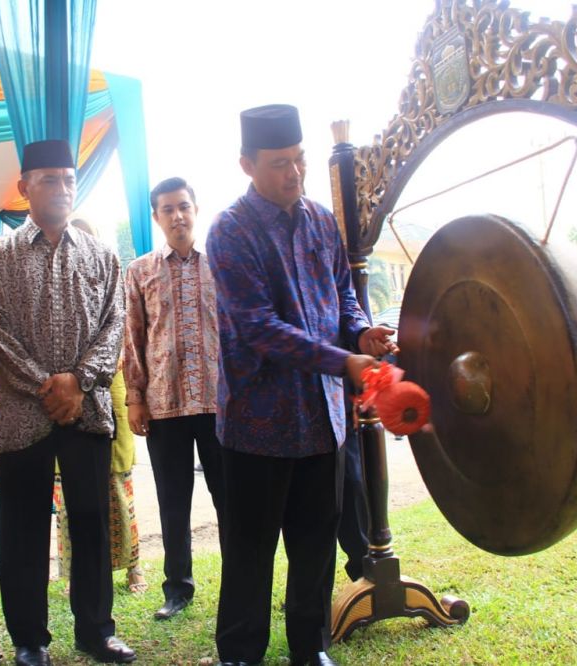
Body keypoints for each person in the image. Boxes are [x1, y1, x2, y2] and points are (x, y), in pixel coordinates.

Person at [206, 104, 396, 666]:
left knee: (315, 544)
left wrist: (362, 335)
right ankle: (240, 653)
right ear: (247, 164)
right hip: (257, 425)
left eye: (299, 160)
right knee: (250, 550)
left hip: (324, 421)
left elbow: (343, 297)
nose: (294, 172)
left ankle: (310, 648)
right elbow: (261, 329)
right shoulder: (230, 232)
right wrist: (345, 363)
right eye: (279, 163)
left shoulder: (320, 220)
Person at [0, 139, 135, 666]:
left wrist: (80, 381)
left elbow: (114, 325)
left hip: (87, 412)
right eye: (48, 179)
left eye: (68, 178)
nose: (62, 188)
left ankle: (96, 630)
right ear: (24, 188)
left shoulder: (102, 255)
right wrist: (49, 385)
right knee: (22, 527)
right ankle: (29, 639)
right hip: (25, 415)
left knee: (91, 521)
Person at [122, 177, 225, 620]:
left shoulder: (221, 264)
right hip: (164, 406)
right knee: (173, 501)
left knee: (232, 499)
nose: (177, 215)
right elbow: (133, 336)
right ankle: (177, 588)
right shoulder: (140, 270)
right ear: (156, 217)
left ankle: (239, 580)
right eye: (168, 209)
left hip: (220, 405)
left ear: (196, 209)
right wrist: (135, 397)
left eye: (184, 206)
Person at [54, 218, 147, 596]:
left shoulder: (112, 287)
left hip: (111, 390)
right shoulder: (54, 289)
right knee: (71, 488)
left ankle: (134, 568)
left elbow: (122, 341)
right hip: (68, 395)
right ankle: (78, 571)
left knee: (117, 481)